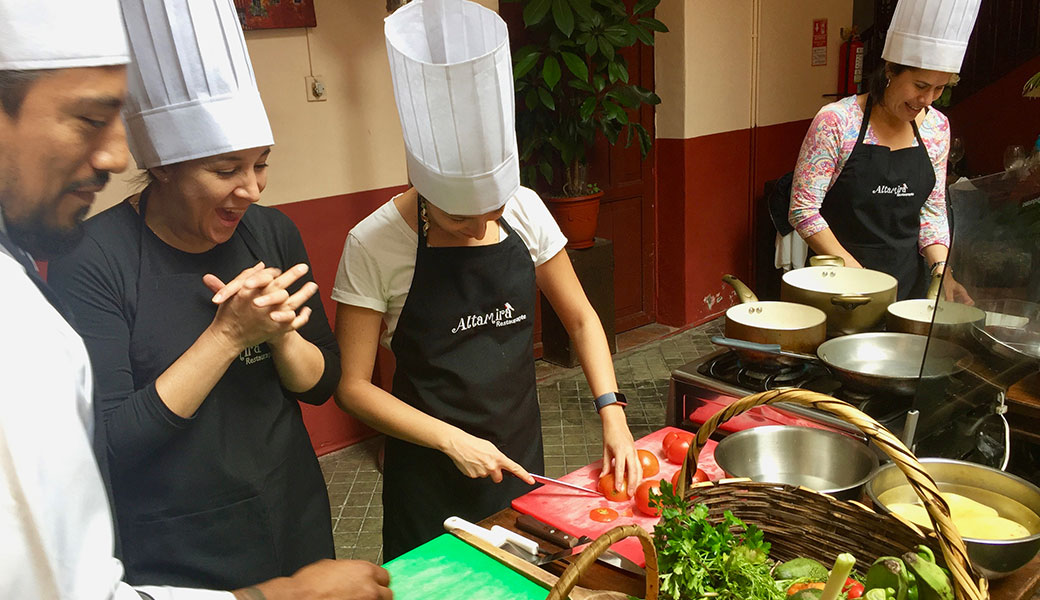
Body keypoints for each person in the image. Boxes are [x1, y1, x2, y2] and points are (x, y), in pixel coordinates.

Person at [0, 0, 391, 598]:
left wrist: (280, 332)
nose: (251, 188)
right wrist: (227, 335)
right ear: (163, 169)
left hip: (291, 510)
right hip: (181, 543)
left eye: (261, 165)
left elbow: (320, 384)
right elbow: (113, 440)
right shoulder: (93, 258)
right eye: (225, 168)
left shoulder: (271, 231)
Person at [333, 0, 641, 561]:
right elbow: (353, 387)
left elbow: (580, 317)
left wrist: (612, 412)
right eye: (458, 218)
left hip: (518, 448)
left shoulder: (524, 209)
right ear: (420, 185)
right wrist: (452, 440)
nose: (481, 229)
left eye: (493, 210)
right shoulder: (373, 243)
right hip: (427, 466)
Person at [789, 0, 979, 302]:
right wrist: (854, 271)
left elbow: (932, 210)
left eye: (940, 89)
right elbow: (803, 210)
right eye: (920, 85)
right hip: (842, 288)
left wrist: (942, 273)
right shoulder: (837, 121)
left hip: (909, 289)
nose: (927, 99)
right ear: (891, 70)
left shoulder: (937, 128)